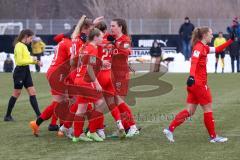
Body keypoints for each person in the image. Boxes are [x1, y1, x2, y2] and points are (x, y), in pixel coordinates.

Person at [163, 26, 234, 143]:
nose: (212, 35)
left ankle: (170, 129)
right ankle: (213, 137)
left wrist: (230, 40)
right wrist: (191, 76)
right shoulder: (199, 47)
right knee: (208, 109)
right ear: (205, 35)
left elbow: (217, 49)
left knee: (189, 111)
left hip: (193, 84)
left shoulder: (204, 47)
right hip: (198, 84)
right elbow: (194, 62)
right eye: (211, 34)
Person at [4, 29, 42, 121]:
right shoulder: (18, 46)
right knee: (16, 93)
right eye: (31, 38)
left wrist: (36, 61)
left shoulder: (24, 46)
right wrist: (33, 60)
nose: (31, 40)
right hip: (19, 72)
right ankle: (7, 116)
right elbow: (20, 61)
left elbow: (27, 59)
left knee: (32, 92)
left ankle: (39, 115)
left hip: (26, 71)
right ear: (25, 36)